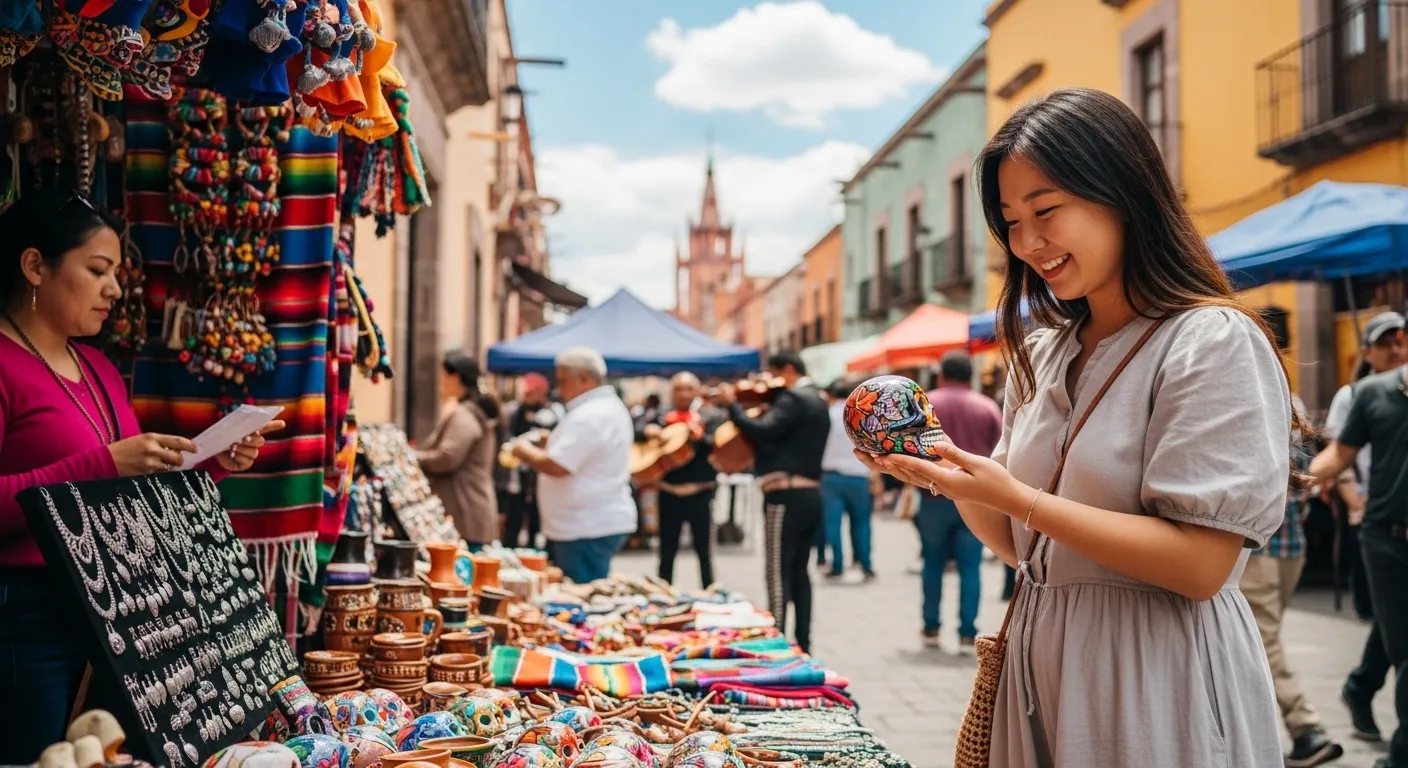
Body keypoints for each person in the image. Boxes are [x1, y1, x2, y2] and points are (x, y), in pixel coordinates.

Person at [859, 88, 1297, 766]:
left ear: (1122, 192)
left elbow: (1202, 565)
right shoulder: (1045, 349)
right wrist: (947, 475)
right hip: (1044, 664)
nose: (1027, 243)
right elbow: (1023, 546)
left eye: (1046, 211)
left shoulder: (1210, 342)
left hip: (1157, 678)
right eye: (1010, 221)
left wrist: (1017, 497)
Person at [0, 190, 282, 765]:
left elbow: (130, 492)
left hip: (117, 618)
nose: (115, 290)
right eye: (97, 270)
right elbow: (95, 473)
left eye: (117, 274)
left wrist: (211, 460)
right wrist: (103, 464)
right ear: (35, 266)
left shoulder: (97, 367)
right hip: (25, 620)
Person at [1311, 339, 1408, 768]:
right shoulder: (1372, 394)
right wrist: (1296, 478)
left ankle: (1361, 688)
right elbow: (1339, 454)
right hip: (1387, 539)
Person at [1240, 394, 1344, 766]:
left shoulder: (1252, 395)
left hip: (1260, 551)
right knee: (1261, 641)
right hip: (1290, 549)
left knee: (1262, 644)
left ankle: (1306, 729)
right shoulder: (1292, 401)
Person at [712, 350, 828, 652]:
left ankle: (777, 638)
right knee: (800, 572)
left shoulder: (792, 398)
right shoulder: (817, 399)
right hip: (811, 494)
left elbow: (762, 431)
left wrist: (733, 408)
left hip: (784, 496)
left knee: (777, 571)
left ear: (787, 370)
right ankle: (804, 640)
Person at [510, 347, 635, 583]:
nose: (559, 388)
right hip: (586, 522)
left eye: (563, 381)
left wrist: (523, 451)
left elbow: (558, 465)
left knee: (581, 597)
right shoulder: (601, 408)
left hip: (585, 525)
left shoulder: (592, 414)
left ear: (584, 379)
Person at [916, 351, 1001, 652]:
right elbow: (1001, 453)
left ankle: (930, 628)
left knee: (933, 562)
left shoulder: (926, 405)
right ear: (970, 376)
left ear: (941, 376)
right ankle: (967, 633)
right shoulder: (988, 407)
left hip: (933, 495)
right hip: (976, 499)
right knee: (970, 565)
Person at [638, 372, 722, 587]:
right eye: (678, 389)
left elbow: (717, 444)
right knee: (667, 549)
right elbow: (637, 429)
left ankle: (709, 592)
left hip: (700, 492)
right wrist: (649, 430)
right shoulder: (661, 414)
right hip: (669, 491)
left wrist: (699, 437)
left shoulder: (709, 415)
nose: (683, 394)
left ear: (696, 391)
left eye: (688, 389)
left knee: (704, 550)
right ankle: (663, 594)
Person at [418, 351, 500, 549]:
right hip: (469, 511)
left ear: (455, 377)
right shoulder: (467, 411)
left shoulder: (465, 414)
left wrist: (412, 457)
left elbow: (447, 458)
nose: (441, 382)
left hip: (465, 512)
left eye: (444, 376)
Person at [819, 380, 874, 580]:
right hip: (859, 474)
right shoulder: (861, 415)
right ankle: (866, 563)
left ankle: (837, 564)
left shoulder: (826, 416)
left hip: (831, 477)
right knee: (862, 523)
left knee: (833, 523)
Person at [496, 372, 558, 548]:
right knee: (514, 516)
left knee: (536, 518)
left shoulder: (551, 413)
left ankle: (534, 550)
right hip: (516, 473)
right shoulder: (513, 411)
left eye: (531, 393)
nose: (526, 396)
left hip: (540, 473)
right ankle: (510, 549)